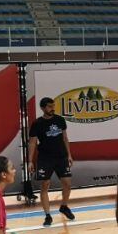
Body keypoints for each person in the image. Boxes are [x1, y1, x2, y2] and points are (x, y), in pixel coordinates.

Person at [29, 97, 74, 227]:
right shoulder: (37, 123)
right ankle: (48, 215)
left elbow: (65, 138)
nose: (52, 109)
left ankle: (64, 206)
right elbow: (32, 143)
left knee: (67, 183)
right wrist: (30, 161)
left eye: (53, 106)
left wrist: (69, 155)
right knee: (45, 185)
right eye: (49, 107)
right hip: (45, 158)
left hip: (61, 157)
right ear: (43, 108)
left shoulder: (60, 120)